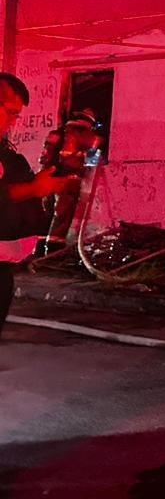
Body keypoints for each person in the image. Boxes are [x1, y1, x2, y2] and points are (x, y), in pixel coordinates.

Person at [0, 72, 79, 338]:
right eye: (10, 112)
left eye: (16, 115)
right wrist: (33, 189)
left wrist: (37, 187)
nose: (13, 122)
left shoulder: (5, 151)